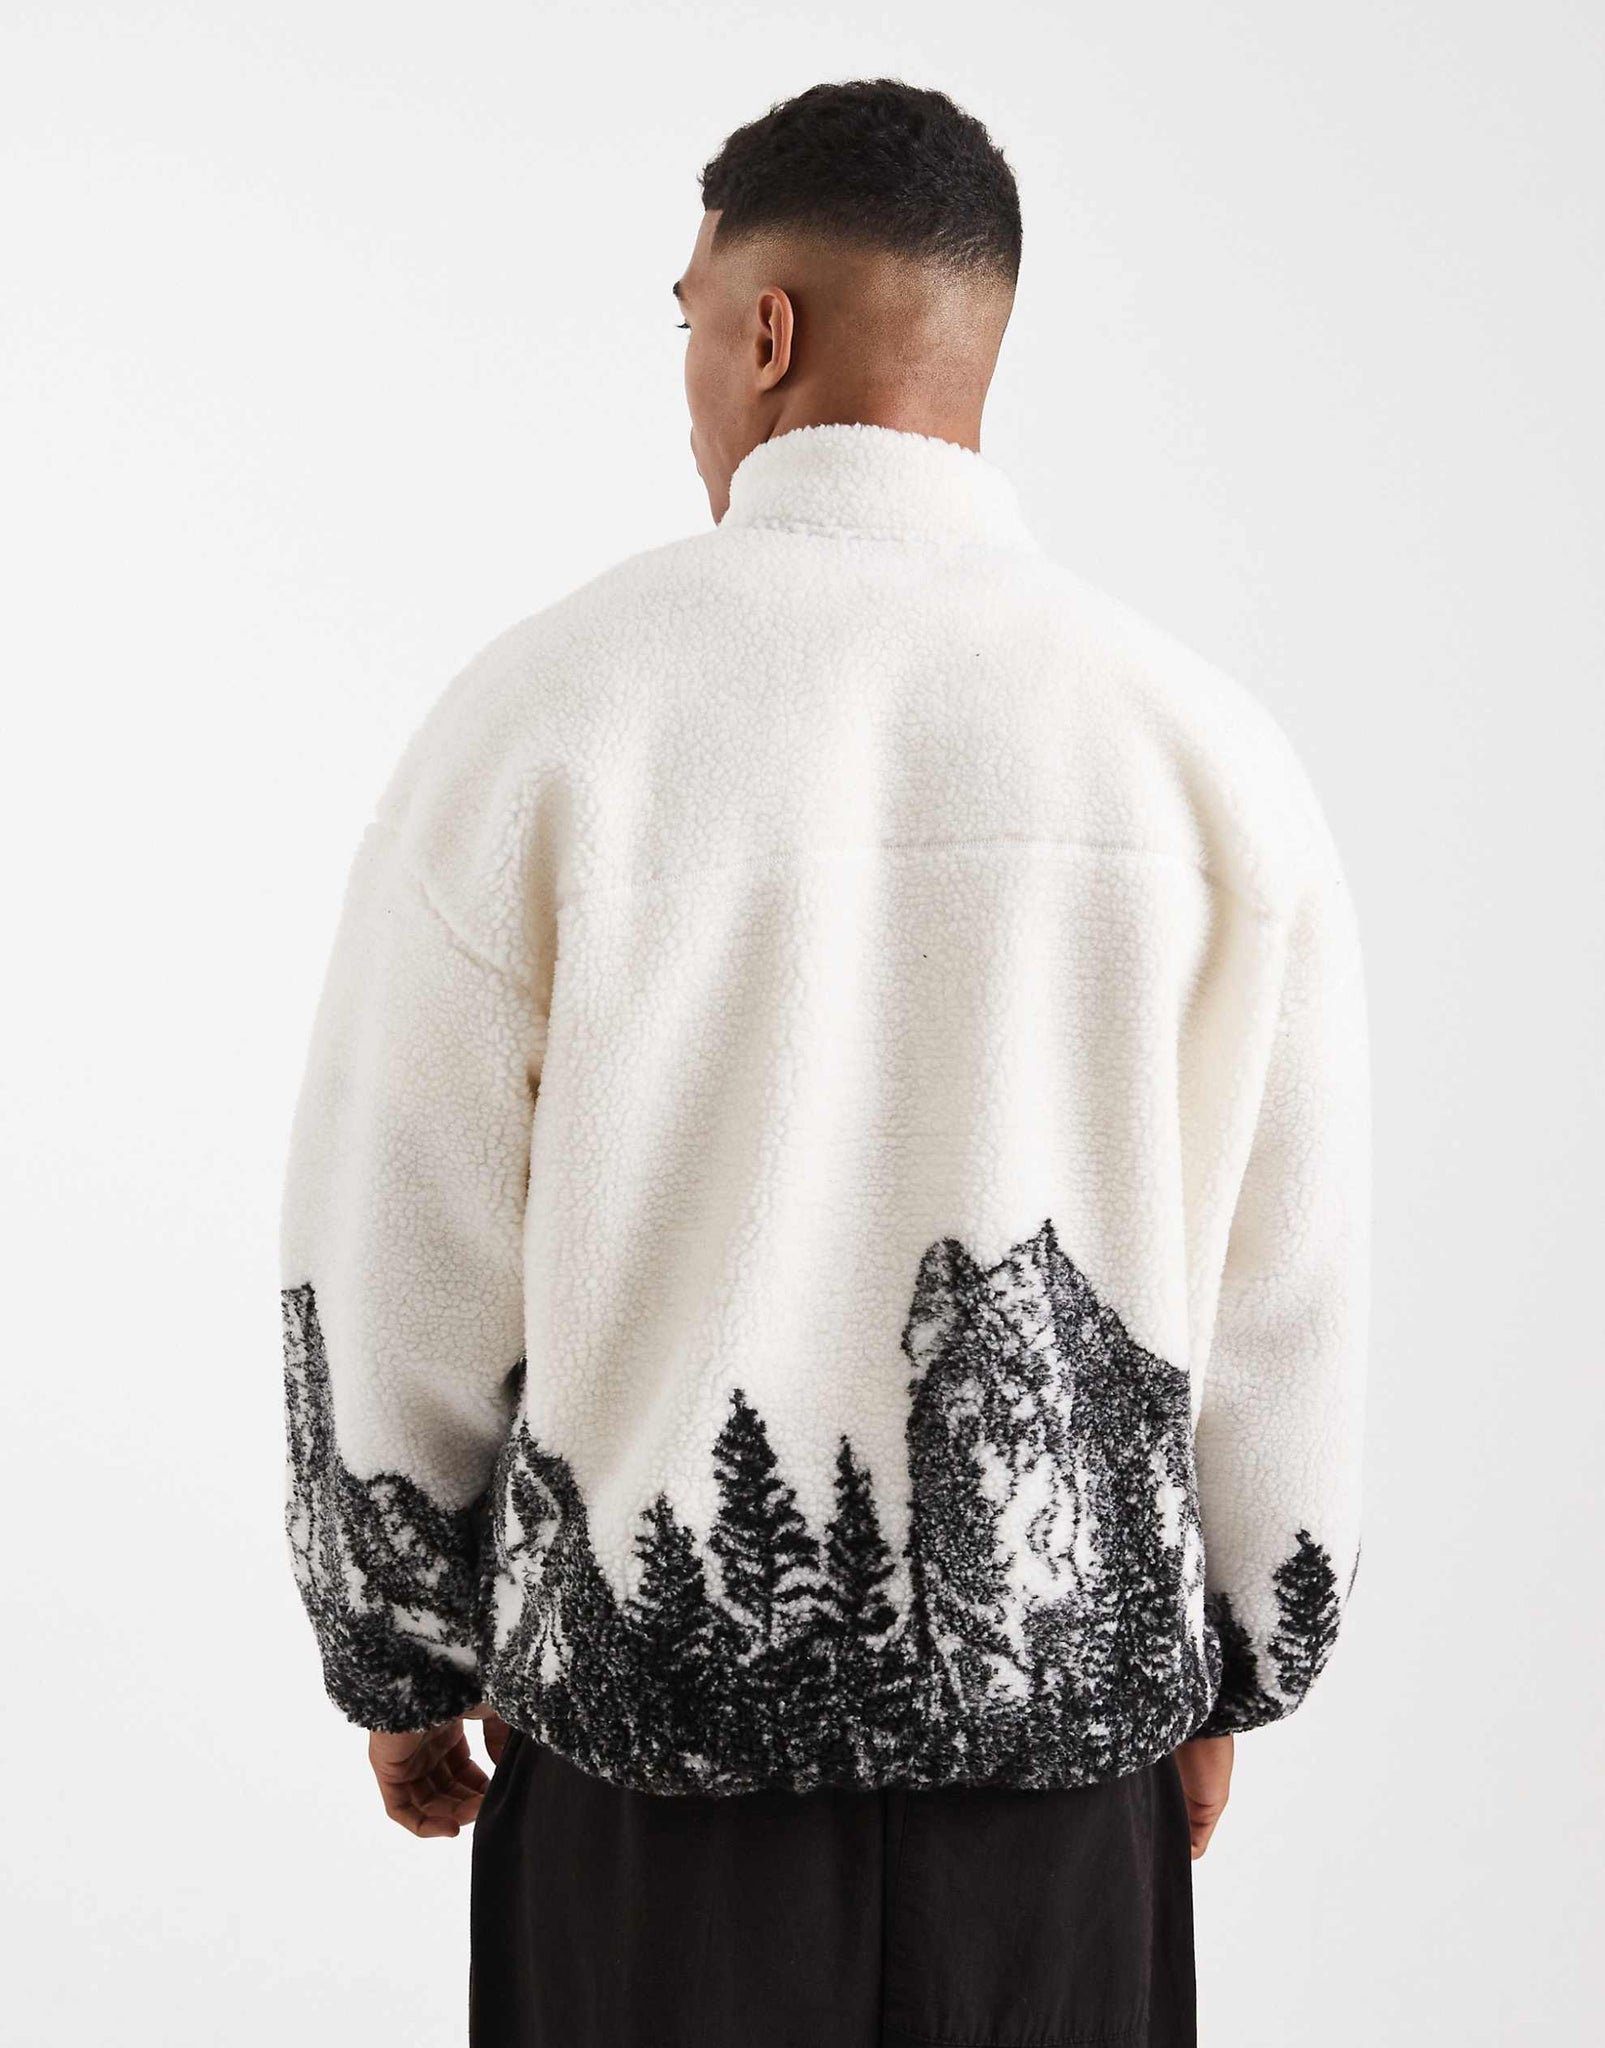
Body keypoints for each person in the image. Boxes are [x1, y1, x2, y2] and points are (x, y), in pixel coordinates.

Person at [278, 77, 1370, 2048]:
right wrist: (1223, 1662)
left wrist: (399, 1651)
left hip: (646, 1800)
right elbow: (1284, 1287)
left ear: (760, 331)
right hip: (1058, 1815)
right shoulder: (1198, 755)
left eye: (686, 315)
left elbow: (398, 1222)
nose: (687, 372)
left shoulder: (546, 721)